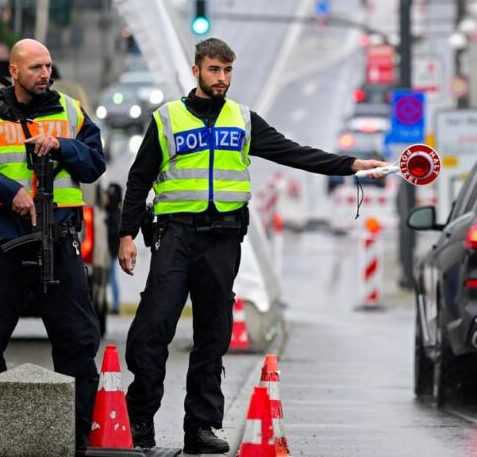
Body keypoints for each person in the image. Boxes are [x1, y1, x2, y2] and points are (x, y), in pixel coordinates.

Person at [117, 38, 388, 453]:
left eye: (227, 71)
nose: (222, 78)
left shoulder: (242, 119)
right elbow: (139, 180)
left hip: (222, 240)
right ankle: (140, 421)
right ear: (196, 71)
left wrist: (350, 165)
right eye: (214, 70)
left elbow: (293, 153)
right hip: (175, 238)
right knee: (152, 330)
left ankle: (201, 427)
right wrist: (126, 235)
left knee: (214, 334)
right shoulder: (167, 118)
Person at [0, 39, 106, 452]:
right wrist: (9, 192)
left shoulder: (70, 111)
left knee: (77, 340)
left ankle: (73, 440)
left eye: (49, 66)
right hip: (3, 239)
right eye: (36, 67)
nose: (45, 74)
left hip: (57, 240)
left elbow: (95, 163)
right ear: (15, 71)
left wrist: (62, 146)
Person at [104, 182, 123, 314]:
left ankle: (115, 305)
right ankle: (113, 304)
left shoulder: (115, 213)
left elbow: (114, 232)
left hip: (111, 250)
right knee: (109, 278)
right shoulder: (112, 211)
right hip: (111, 249)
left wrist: (104, 225)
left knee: (111, 278)